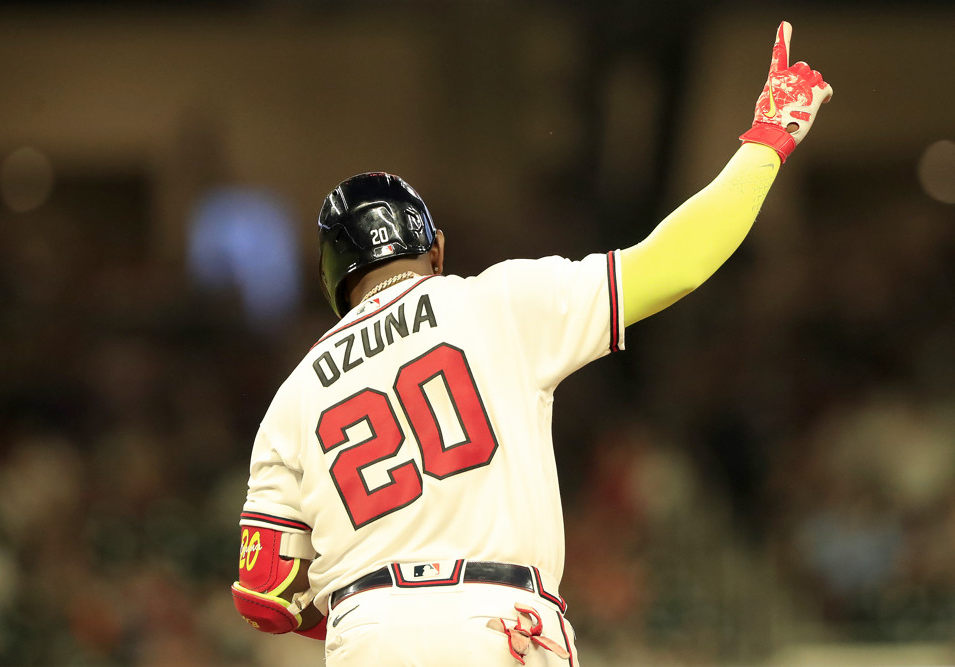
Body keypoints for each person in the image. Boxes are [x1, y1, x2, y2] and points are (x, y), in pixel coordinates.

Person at [231, 20, 831, 666]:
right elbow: (673, 264)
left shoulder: (292, 396)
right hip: (498, 617)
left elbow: (266, 593)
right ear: (435, 249)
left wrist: (382, 609)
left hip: (368, 630)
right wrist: (768, 141)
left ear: (332, 282)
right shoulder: (498, 300)